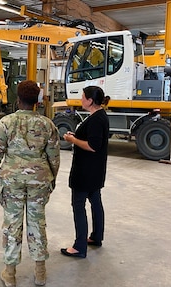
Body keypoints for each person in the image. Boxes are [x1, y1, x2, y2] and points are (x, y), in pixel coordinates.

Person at [0, 80, 60, 286]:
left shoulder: (6, 123)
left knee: (12, 224)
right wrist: (51, 179)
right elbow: (54, 157)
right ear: (37, 101)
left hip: (12, 181)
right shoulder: (47, 125)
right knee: (37, 223)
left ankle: (10, 274)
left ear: (18, 100)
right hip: (39, 181)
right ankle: (40, 272)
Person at [60, 85, 110, 259]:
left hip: (86, 171)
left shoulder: (96, 119)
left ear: (90, 101)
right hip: (95, 170)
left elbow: (92, 146)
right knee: (95, 202)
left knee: (79, 205)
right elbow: (92, 139)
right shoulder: (99, 115)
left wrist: (73, 139)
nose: (81, 99)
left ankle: (79, 246)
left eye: (83, 97)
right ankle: (96, 236)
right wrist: (77, 136)